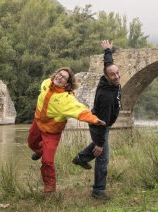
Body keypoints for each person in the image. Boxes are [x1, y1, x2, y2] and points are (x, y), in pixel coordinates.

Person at [27, 67, 106, 193]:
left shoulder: (67, 99)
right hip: (38, 123)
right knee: (31, 142)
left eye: (64, 78)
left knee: (47, 161)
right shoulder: (46, 83)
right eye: (59, 74)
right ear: (55, 75)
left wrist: (94, 120)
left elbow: (80, 109)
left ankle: (50, 188)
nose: (60, 78)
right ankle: (40, 150)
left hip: (52, 132)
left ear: (67, 84)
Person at [72, 40, 121, 201]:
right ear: (107, 77)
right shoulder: (106, 97)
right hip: (98, 124)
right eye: (113, 75)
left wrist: (108, 50)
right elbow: (102, 123)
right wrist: (100, 144)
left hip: (101, 123)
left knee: (99, 148)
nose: (117, 76)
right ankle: (98, 190)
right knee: (103, 157)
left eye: (117, 73)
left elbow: (109, 64)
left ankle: (81, 158)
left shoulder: (109, 76)